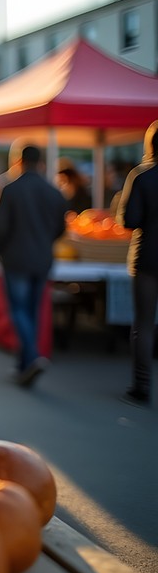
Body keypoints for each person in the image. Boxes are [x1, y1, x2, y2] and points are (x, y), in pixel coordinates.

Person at [0, 142, 68, 388]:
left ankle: (30, 357)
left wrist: (0, 251)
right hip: (42, 258)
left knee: (18, 309)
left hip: (15, 258)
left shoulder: (10, 189)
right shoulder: (53, 191)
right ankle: (24, 363)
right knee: (31, 309)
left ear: (19, 161)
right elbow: (61, 227)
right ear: (41, 162)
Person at [114, 120, 158, 407]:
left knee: (144, 323)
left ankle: (141, 388)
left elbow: (129, 220)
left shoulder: (141, 176)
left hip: (148, 257)